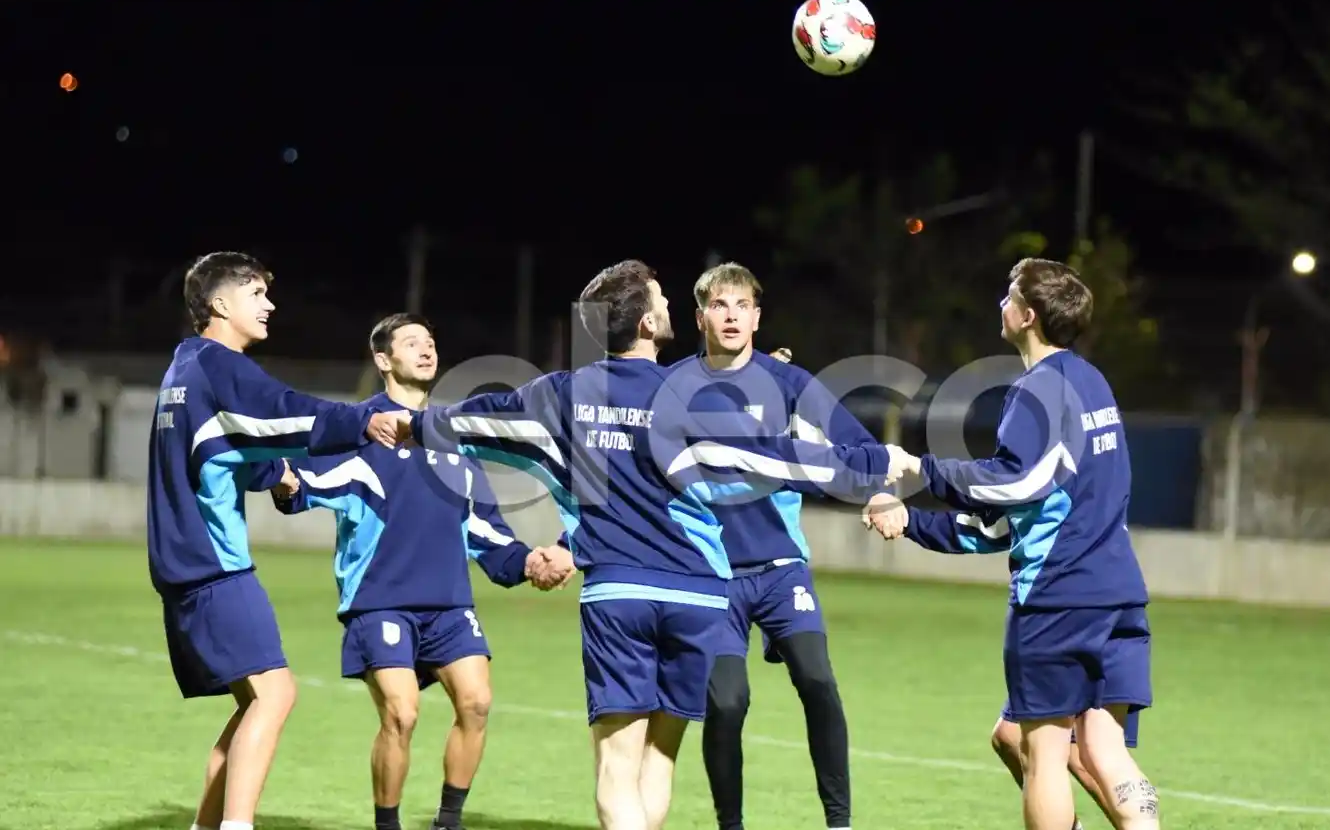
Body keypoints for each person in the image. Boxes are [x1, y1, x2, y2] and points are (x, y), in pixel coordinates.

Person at [396, 259, 907, 830]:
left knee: (617, 766)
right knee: (660, 758)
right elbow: (772, 455)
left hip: (618, 595)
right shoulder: (694, 394)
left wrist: (411, 426)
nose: (669, 308)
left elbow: (479, 419)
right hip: (700, 594)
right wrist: (875, 466)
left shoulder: (561, 394)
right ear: (644, 324)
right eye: (662, 300)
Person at [265, 312, 576, 830]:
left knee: (477, 703)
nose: (426, 350)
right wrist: (284, 481)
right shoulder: (360, 430)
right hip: (379, 601)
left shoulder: (451, 436)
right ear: (383, 360)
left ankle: (446, 824)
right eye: (412, 343)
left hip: (449, 604)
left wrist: (529, 561)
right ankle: (388, 825)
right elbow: (302, 483)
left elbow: (483, 530)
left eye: (430, 342)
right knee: (402, 713)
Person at [884, 258, 1158, 830]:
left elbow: (1015, 483)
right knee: (1070, 743)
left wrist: (922, 472)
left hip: (1060, 596)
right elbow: (1017, 513)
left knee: (1046, 756)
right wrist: (911, 522)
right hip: (1119, 593)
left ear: (1028, 316)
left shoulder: (1037, 392)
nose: (1000, 305)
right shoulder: (1092, 381)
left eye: (1009, 295)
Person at [147, 252, 407, 830]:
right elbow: (282, 412)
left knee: (251, 704)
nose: (270, 305)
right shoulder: (220, 365)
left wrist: (276, 474)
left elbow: (224, 447)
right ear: (219, 304)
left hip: (185, 563)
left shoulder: (183, 372)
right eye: (257, 293)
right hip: (213, 565)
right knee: (276, 695)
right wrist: (359, 422)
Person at [673, 262, 891, 830]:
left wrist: (875, 489)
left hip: (778, 569)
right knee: (726, 703)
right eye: (719, 306)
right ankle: (731, 825)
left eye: (742, 306)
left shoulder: (790, 383)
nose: (731, 316)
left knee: (818, 681)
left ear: (757, 318)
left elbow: (859, 446)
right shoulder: (672, 387)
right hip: (710, 573)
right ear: (700, 317)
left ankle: (839, 823)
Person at [866, 505, 1139, 830]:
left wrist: (916, 481)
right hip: (1112, 590)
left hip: (1064, 601)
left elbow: (997, 500)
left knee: (1070, 751)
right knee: (1018, 737)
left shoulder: (1049, 456)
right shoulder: (1104, 458)